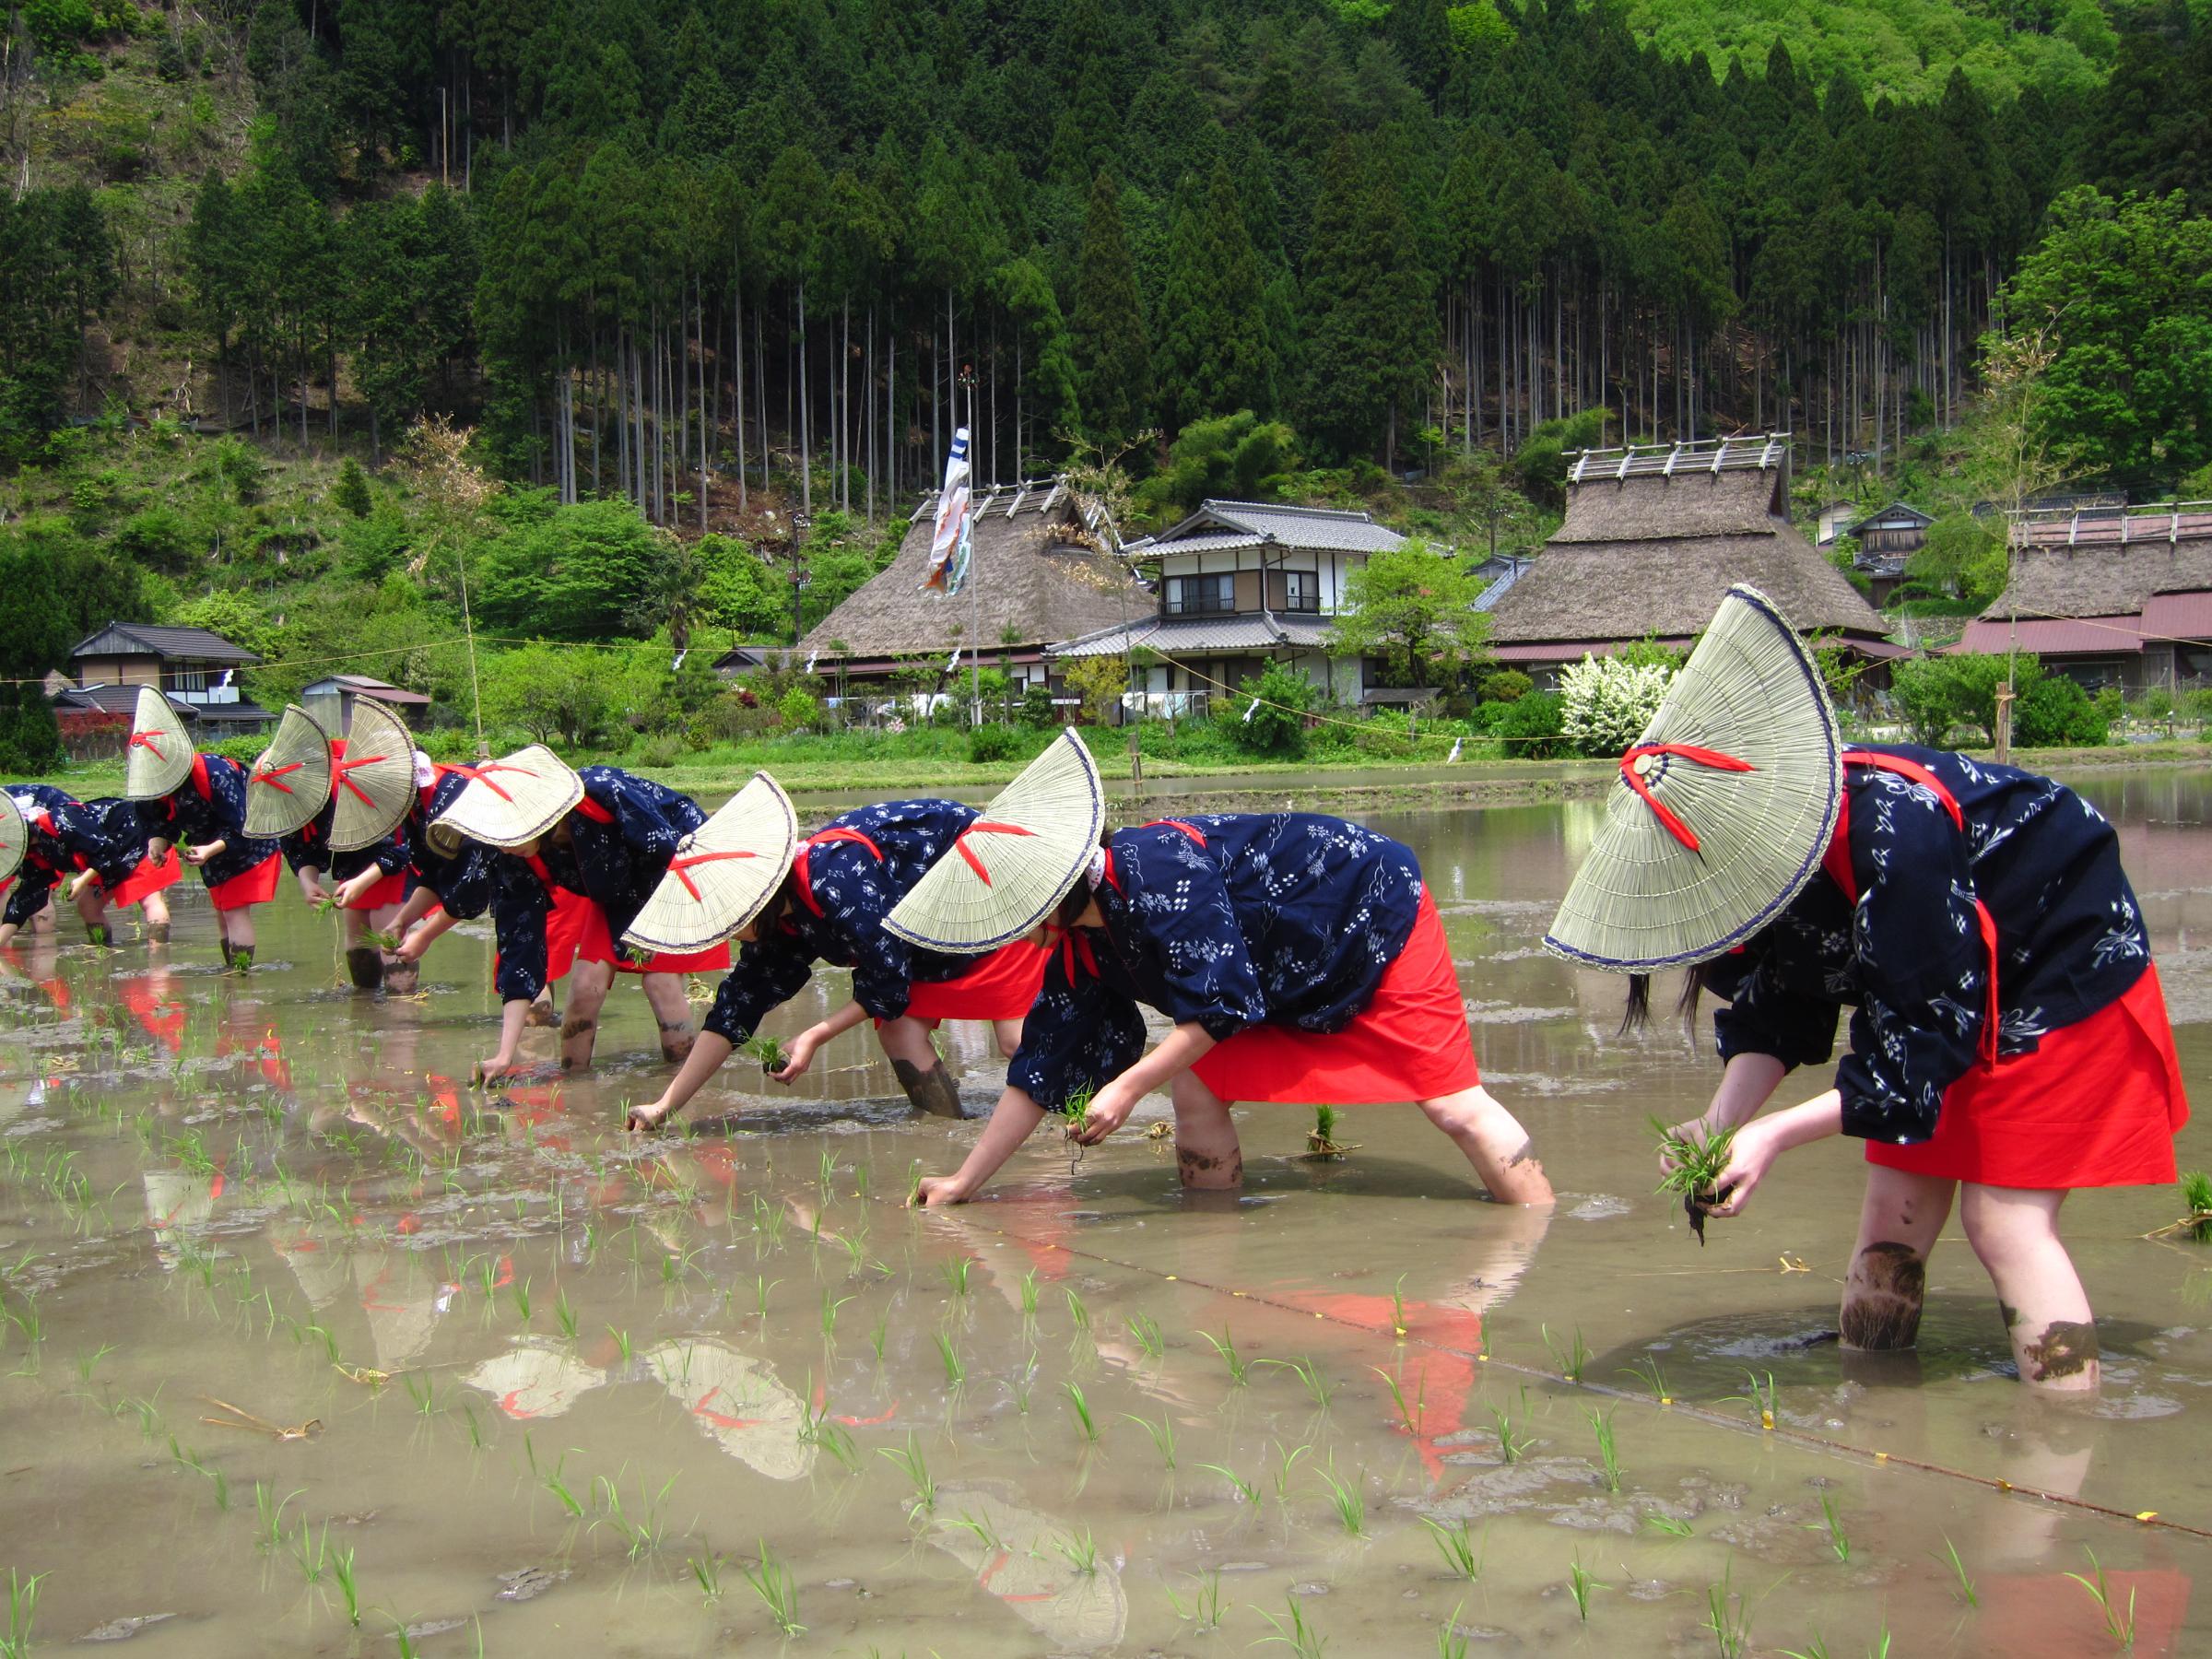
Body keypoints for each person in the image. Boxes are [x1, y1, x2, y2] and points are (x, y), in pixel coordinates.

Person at [1544, 583, 2188, 1394]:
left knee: (2005, 1223)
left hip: (2057, 964)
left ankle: (2059, 1442)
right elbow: (1784, 1006)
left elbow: (1924, 1043)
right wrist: (1720, 1122)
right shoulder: (1776, 862)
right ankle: (1874, 1395)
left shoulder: (1899, 834)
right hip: (1940, 992)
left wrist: (1771, 1137)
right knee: (1896, 1212)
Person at [895, 731, 1555, 1207]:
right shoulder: (1080, 946)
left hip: (1370, 915)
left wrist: (1125, 1089)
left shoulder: (1156, 869)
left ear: (1054, 895)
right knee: (1197, 1088)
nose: (1015, 937)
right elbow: (1037, 1073)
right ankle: (1212, 1236)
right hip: (1277, 969)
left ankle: (1535, 1228)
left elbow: (1221, 1006)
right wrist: (964, 1183)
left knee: (1453, 1105)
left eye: (1018, 917)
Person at [624, 790, 1052, 1131]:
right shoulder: (782, 921)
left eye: (732, 922)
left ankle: (1070, 1128)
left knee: (1017, 1040)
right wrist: (665, 1106)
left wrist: (812, 1037)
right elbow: (735, 1010)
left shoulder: (834, 879)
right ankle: (951, 1133)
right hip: (921, 927)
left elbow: (888, 978)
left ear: (759, 901)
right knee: (899, 1036)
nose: (731, 934)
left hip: (983, 890)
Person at [419, 745, 726, 1081]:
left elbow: (670, 850)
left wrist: (651, 933)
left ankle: (681, 1085)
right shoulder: (513, 858)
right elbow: (519, 949)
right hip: (615, 893)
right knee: (583, 988)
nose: (506, 845)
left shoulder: (603, 791)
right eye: (497, 838)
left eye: (510, 832)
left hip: (677, 872)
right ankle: (573, 1083)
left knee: (660, 982)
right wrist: (504, 1054)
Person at [253, 700, 418, 990]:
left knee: (387, 930)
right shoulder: (294, 799)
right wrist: (308, 882)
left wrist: (362, 882)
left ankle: (402, 1012)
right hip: (349, 857)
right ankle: (366, 1007)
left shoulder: (359, 780)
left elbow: (400, 845)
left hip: (389, 858)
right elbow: (297, 844)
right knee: (356, 933)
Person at [124, 688, 279, 972]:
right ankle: (233, 972)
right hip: (207, 850)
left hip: (249, 845)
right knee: (222, 913)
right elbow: (159, 823)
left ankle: (241, 979)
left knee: (234, 910)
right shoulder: (150, 789)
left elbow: (243, 827)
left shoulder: (216, 773)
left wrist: (209, 849)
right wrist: (157, 843)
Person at [0, 783, 180, 947]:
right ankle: (103, 951)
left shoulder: (61, 819)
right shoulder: (32, 854)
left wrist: (83, 880)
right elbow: (25, 900)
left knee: (149, 899)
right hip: (106, 856)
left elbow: (106, 849)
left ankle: (159, 960)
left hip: (136, 837)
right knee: (88, 907)